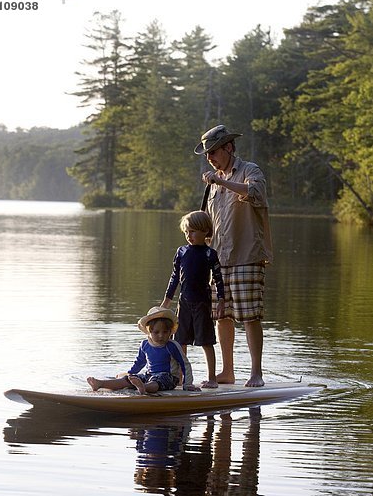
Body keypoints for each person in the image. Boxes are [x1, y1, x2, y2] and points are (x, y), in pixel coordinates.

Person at [194, 124, 273, 387]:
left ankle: (256, 374)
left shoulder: (250, 170)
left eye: (214, 151)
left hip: (247, 256)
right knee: (222, 316)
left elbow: (256, 193)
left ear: (228, 147)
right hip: (219, 259)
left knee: (250, 317)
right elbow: (209, 222)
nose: (210, 158)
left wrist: (222, 181)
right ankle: (227, 372)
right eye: (207, 154)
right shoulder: (213, 184)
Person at [161, 210, 225, 389]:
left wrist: (221, 300)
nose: (189, 235)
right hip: (184, 303)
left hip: (202, 304)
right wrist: (167, 299)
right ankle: (181, 377)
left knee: (206, 341)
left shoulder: (209, 254)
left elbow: (219, 279)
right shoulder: (181, 251)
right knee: (180, 341)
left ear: (205, 232)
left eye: (194, 231)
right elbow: (174, 277)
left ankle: (212, 378)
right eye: (187, 231)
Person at [87, 306, 197, 395]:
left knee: (156, 381)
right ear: (150, 332)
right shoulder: (145, 345)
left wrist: (188, 384)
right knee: (130, 379)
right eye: (156, 332)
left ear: (170, 332)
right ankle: (100, 383)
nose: (161, 336)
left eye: (165, 332)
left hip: (168, 377)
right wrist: (130, 374)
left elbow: (185, 364)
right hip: (149, 374)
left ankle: (143, 387)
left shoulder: (172, 345)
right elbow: (139, 362)